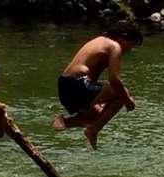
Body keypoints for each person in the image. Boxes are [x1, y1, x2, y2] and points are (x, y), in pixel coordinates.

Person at [52, 20, 142, 149]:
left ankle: (65, 122)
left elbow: (91, 76)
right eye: (131, 45)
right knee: (121, 94)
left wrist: (98, 98)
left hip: (65, 87)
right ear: (123, 37)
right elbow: (114, 79)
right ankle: (93, 130)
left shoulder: (99, 41)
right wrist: (128, 101)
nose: (129, 50)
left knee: (98, 115)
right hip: (76, 85)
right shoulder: (114, 46)